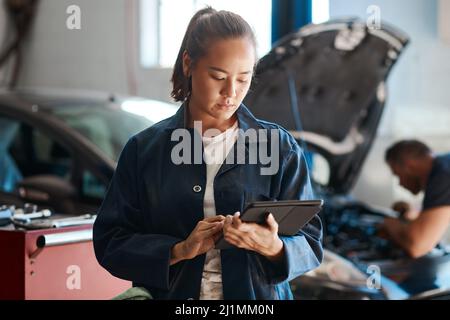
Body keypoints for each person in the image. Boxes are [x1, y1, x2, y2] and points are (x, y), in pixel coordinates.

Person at [93, 7, 323, 300]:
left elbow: (311, 241)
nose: (231, 93)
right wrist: (179, 250)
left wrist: (273, 246)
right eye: (218, 77)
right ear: (189, 64)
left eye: (243, 79)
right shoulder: (144, 151)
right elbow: (110, 241)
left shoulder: (279, 147)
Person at [381, 140, 450, 258]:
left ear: (409, 166)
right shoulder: (444, 165)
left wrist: (390, 224)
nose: (400, 183)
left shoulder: (443, 175)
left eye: (398, 175)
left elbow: (418, 246)